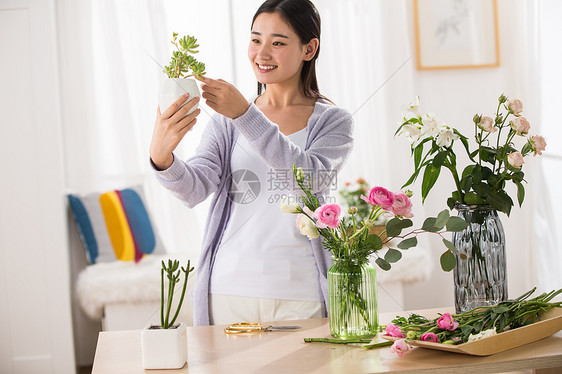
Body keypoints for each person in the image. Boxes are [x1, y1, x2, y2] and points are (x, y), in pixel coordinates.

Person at [149, 0, 353, 326]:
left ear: (309, 48)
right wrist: (162, 158)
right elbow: (195, 190)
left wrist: (246, 115)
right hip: (229, 289)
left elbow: (310, 179)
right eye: (256, 39)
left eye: (278, 42)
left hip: (301, 292)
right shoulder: (227, 121)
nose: (262, 53)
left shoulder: (333, 121)